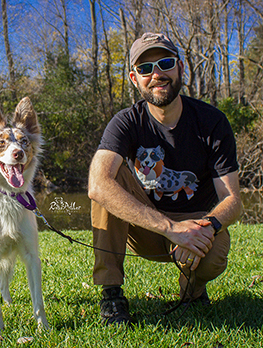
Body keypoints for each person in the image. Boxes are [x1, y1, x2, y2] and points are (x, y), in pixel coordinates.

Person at [88, 32, 243, 326]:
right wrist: (171, 228)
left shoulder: (212, 122)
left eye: (165, 63)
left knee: (212, 259)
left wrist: (203, 228)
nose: (156, 74)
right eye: (145, 69)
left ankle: (193, 287)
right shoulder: (126, 122)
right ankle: (111, 293)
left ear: (180, 67)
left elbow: (233, 200)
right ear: (134, 78)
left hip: (197, 226)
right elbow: (97, 185)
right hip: (149, 227)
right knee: (108, 178)